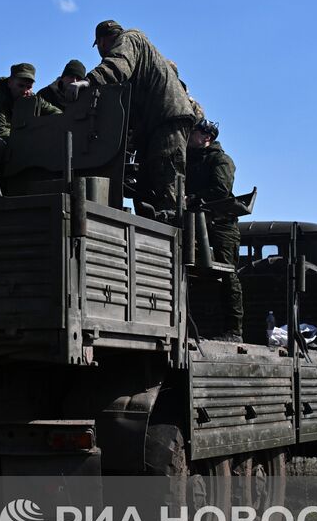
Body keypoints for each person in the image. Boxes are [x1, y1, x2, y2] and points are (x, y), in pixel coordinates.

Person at [85, 20, 195, 217]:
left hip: (166, 118)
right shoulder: (139, 48)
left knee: (167, 177)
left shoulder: (129, 39)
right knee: (147, 182)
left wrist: (89, 82)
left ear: (102, 42)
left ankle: (176, 233)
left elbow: (118, 64)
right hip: (155, 122)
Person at [186, 120, 242, 339]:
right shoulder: (191, 161)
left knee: (229, 277)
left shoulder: (221, 160)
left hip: (221, 227)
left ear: (207, 137)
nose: (190, 136)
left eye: (194, 133)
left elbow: (221, 190)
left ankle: (234, 330)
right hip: (197, 223)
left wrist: (192, 198)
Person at [0, 63, 61, 139]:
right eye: (21, 86)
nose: (25, 91)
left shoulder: (32, 98)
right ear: (10, 83)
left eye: (29, 87)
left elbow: (57, 114)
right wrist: (31, 136)